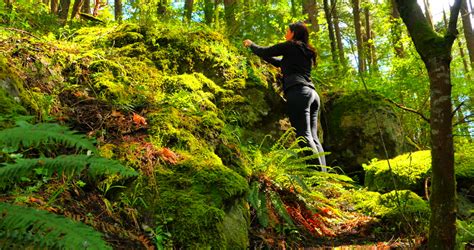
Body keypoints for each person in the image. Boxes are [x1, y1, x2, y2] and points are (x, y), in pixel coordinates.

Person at [243, 22, 326, 170]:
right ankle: (324, 176)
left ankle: (317, 177)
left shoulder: (290, 46)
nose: (285, 33)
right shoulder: (305, 51)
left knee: (304, 135)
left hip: (298, 93)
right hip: (313, 95)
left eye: (287, 31)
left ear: (293, 33)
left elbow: (266, 51)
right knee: (314, 138)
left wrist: (251, 45)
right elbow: (278, 62)